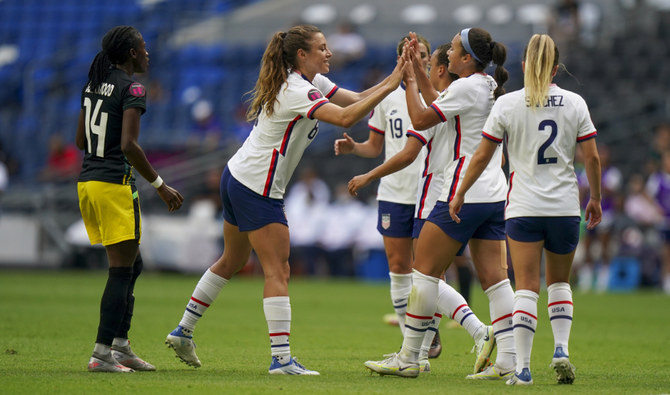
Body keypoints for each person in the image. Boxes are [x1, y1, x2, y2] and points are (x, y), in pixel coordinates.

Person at [165, 24, 406, 376]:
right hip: (257, 188)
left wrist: (392, 80)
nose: (330, 53)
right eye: (322, 48)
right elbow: (346, 117)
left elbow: (355, 100)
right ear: (302, 55)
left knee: (231, 260)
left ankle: (183, 331)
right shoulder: (296, 89)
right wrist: (394, 80)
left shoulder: (312, 82)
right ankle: (281, 360)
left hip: (238, 177)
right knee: (279, 270)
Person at [449, 33, 602, 385]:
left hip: (523, 208)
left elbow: (483, 155)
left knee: (527, 287)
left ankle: (523, 369)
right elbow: (591, 157)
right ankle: (561, 348)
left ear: (523, 65)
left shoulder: (507, 104)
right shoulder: (575, 102)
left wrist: (459, 193)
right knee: (560, 282)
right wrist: (594, 197)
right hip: (564, 207)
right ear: (557, 67)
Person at [364, 28, 515, 379]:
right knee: (495, 280)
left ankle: (408, 357)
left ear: (466, 59)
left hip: (463, 192)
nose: (448, 55)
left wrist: (411, 84)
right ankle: (508, 360)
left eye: (455, 49)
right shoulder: (486, 85)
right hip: (494, 193)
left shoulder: (464, 87)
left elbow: (420, 117)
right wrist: (417, 67)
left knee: (423, 272)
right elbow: (441, 101)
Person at [77, 25, 184, 373]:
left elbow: (81, 140)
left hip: (88, 182)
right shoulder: (133, 87)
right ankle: (101, 353)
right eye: (143, 47)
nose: (148, 52)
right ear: (132, 53)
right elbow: (128, 145)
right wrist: (160, 184)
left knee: (131, 264)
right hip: (113, 184)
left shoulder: (93, 83)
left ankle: (120, 347)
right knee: (121, 271)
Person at [334, 32, 434, 350]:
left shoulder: (439, 97)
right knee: (398, 268)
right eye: (409, 54)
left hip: (428, 192)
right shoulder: (387, 98)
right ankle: (411, 346)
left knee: (429, 270)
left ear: (431, 60)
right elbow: (376, 147)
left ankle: (430, 334)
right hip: (393, 192)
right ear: (399, 60)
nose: (416, 58)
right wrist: (354, 149)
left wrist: (367, 174)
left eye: (421, 54)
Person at [646, 150, 670, 294]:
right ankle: (665, 280)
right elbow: (648, 195)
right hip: (664, 221)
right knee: (665, 252)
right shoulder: (658, 178)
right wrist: (657, 208)